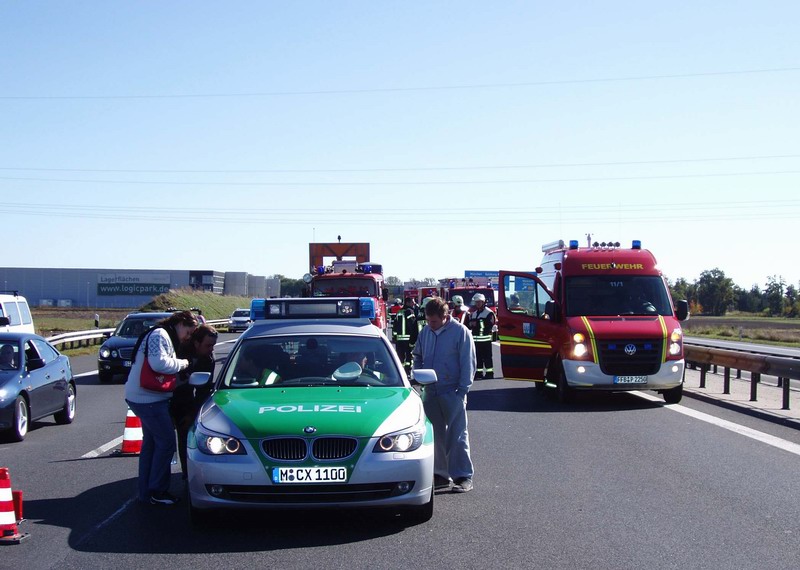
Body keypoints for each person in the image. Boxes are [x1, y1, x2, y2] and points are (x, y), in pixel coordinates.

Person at [124, 310, 198, 506]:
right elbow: (158, 364)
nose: (187, 337)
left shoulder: (161, 334)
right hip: (148, 399)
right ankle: (158, 490)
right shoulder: (161, 335)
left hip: (144, 397)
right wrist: (184, 363)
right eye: (188, 332)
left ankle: (146, 491)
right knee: (166, 444)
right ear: (181, 323)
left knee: (151, 445)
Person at [412, 297, 476, 493]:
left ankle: (463, 476)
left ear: (445, 317)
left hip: (452, 391)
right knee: (435, 435)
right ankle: (440, 474)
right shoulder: (426, 333)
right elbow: (417, 355)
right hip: (430, 392)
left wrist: (462, 391)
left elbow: (468, 363)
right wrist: (418, 376)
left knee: (457, 435)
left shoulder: (460, 333)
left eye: (434, 321)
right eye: (428, 320)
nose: (430, 324)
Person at [170, 324, 218, 480]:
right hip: (168, 398)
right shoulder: (178, 352)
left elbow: (203, 391)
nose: (211, 349)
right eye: (208, 345)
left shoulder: (209, 359)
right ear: (196, 343)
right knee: (166, 441)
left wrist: (192, 414)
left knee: (187, 433)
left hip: (190, 401)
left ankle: (188, 474)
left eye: (213, 345)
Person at [469, 293, 496, 379]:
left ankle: (489, 373)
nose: (477, 304)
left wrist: (477, 323)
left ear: (483, 302)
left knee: (487, 357)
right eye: (476, 302)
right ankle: (478, 373)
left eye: (479, 302)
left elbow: (490, 325)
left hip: (486, 340)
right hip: (476, 340)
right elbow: (471, 326)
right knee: (477, 357)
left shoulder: (489, 313)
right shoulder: (474, 313)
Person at [392, 297, 418, 372]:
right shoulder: (410, 312)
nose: (414, 303)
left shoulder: (399, 312)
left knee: (400, 357)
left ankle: (400, 372)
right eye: (412, 302)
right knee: (408, 357)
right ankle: (407, 372)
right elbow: (413, 326)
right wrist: (413, 340)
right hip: (408, 339)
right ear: (407, 303)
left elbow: (395, 326)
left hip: (399, 340)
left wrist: (394, 337)